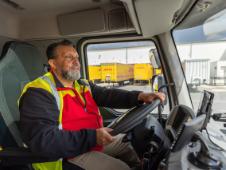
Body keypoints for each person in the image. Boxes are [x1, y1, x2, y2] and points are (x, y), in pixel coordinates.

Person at [19, 39, 165, 170]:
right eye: (69, 57)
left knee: (129, 145)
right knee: (120, 168)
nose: (76, 62)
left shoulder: (81, 84)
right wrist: (92, 137)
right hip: (64, 155)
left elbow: (108, 95)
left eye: (76, 57)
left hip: (90, 140)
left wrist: (140, 96)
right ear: (53, 63)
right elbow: (44, 140)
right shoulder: (39, 92)